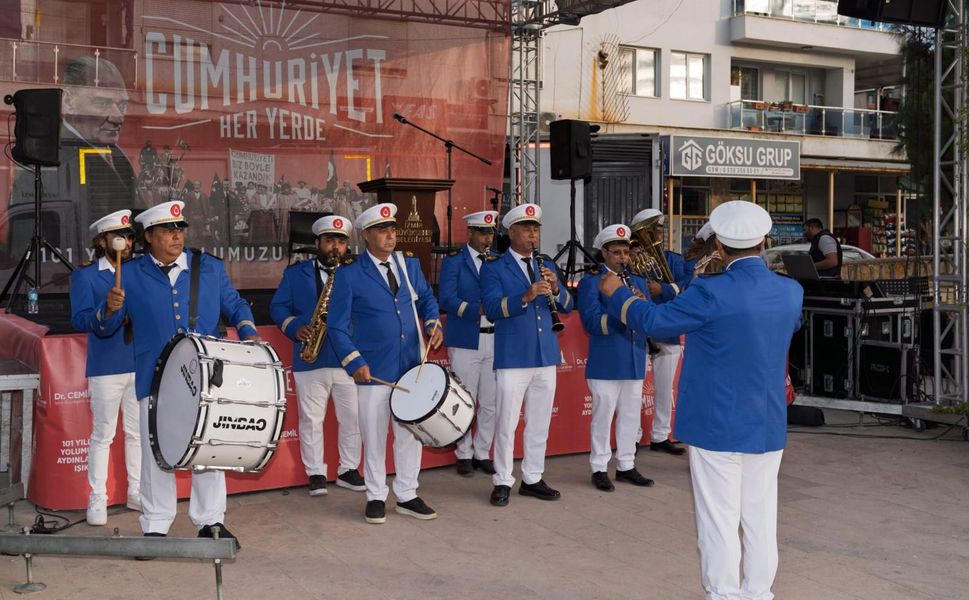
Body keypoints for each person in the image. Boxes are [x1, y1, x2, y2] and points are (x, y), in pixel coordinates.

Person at [599, 201, 803, 600]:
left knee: (718, 518)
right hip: (766, 422)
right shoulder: (790, 291)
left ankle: (723, 594)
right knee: (760, 516)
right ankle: (758, 593)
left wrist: (618, 293)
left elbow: (655, 321)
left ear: (721, 246)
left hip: (716, 422)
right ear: (763, 241)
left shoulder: (709, 291)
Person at [97, 200, 259, 549]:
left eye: (179, 229)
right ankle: (156, 525)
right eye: (168, 230)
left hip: (207, 376)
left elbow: (235, 305)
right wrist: (109, 310)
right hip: (154, 378)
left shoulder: (209, 268)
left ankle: (211, 521)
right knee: (158, 453)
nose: (176, 235)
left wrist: (249, 333)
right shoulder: (131, 272)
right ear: (149, 236)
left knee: (209, 448)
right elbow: (108, 326)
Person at [326, 203, 444, 524]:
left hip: (409, 367)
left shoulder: (409, 265)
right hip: (374, 371)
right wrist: (354, 362)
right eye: (383, 230)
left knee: (410, 434)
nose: (391, 235)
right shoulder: (349, 275)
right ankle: (376, 494)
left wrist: (433, 323)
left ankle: (407, 493)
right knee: (374, 436)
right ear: (366, 235)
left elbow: (428, 298)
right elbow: (336, 326)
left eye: (393, 229)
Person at [5, 56, 142, 267]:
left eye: (122, 105)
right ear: (68, 102)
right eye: (102, 103)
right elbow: (24, 256)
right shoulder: (46, 164)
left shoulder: (118, 157)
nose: (117, 117)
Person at [480, 203, 574, 507]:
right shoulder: (494, 267)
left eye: (536, 229)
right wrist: (526, 295)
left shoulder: (546, 263)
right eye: (526, 229)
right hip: (513, 356)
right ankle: (503, 480)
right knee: (507, 421)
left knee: (539, 421)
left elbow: (570, 305)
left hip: (546, 353)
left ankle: (533, 477)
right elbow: (493, 310)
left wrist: (557, 289)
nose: (533, 234)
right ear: (511, 233)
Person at [269, 214, 365, 496]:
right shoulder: (294, 273)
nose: (335, 246)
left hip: (348, 359)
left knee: (353, 418)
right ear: (317, 243)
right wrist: (295, 327)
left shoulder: (357, 272)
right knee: (311, 420)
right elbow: (278, 308)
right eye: (329, 240)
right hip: (310, 358)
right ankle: (316, 473)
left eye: (341, 241)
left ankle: (349, 469)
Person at [69, 210, 141, 526]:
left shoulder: (140, 271)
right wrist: (106, 310)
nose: (125, 242)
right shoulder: (85, 276)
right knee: (103, 435)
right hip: (106, 367)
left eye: (128, 236)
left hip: (139, 363)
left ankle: (137, 491)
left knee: (137, 434)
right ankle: (97, 499)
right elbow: (80, 319)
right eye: (118, 236)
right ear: (102, 241)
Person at [578, 224, 655, 492]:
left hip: (634, 356)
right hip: (607, 360)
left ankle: (626, 465)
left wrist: (642, 304)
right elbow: (590, 321)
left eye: (626, 252)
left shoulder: (640, 281)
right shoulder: (591, 281)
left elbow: (651, 318)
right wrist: (625, 311)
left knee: (630, 416)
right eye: (617, 252)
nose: (623, 257)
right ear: (604, 253)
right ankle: (599, 467)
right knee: (603, 416)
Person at [438, 210, 500, 477]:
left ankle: (482, 451)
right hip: (466, 339)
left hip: (495, 338)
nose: (488, 238)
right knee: (465, 400)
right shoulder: (454, 262)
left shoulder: (497, 260)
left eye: (491, 233)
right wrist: (475, 309)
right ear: (471, 233)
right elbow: (446, 299)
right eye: (483, 233)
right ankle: (463, 452)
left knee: (490, 401)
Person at [630, 208, 692, 457]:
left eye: (659, 230)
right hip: (639, 330)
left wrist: (664, 289)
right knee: (633, 389)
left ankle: (660, 435)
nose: (658, 234)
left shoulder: (674, 259)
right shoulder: (631, 259)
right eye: (653, 230)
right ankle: (631, 436)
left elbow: (690, 283)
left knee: (665, 388)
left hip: (668, 329)